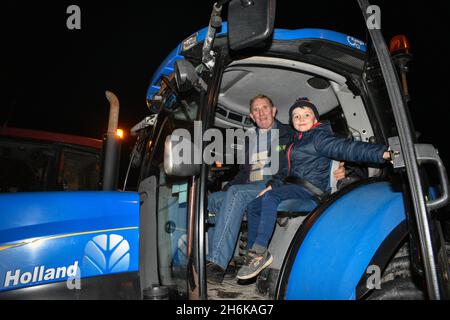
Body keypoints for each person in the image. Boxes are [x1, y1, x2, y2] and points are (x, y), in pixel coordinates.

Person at [236, 97, 391, 280]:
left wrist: (382, 153)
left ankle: (260, 253)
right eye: (296, 116)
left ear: (315, 118)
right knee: (254, 204)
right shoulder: (294, 142)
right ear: (292, 122)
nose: (301, 119)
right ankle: (252, 253)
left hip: (311, 191)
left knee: (270, 199)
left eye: (306, 115)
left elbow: (347, 148)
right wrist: (271, 185)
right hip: (292, 186)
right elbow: (284, 171)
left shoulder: (319, 137)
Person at [206, 94, 347, 284]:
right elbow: (242, 174)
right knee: (214, 199)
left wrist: (340, 168)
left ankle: (218, 263)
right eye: (256, 110)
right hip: (249, 184)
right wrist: (227, 187)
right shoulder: (249, 140)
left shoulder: (290, 132)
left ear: (273, 111)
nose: (261, 113)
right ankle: (228, 261)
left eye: (265, 108)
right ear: (251, 116)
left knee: (236, 193)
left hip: (274, 181)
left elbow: (320, 147)